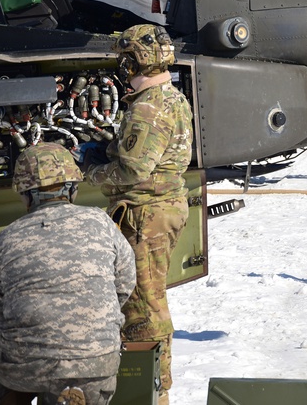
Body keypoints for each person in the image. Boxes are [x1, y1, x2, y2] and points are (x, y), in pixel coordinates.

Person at [83, 23, 193, 405]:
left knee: (144, 307)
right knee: (151, 297)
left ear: (133, 61)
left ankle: (155, 392)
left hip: (145, 214)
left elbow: (133, 170)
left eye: (123, 59)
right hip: (164, 208)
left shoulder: (147, 107)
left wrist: (90, 171)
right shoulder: (172, 97)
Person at [0, 142, 136, 405]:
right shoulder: (102, 223)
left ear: (26, 195)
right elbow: (124, 284)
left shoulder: (4, 239)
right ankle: (70, 393)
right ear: (73, 189)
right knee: (88, 371)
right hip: (96, 362)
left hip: (26, 365)